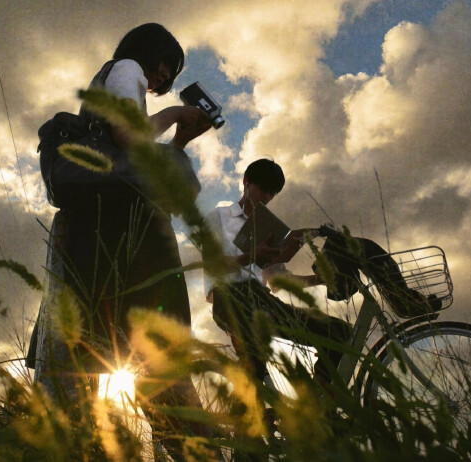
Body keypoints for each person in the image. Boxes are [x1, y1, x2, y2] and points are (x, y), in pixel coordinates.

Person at [27, 23, 215, 458]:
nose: (164, 79)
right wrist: (172, 118)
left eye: (169, 76)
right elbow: (126, 138)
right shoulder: (126, 66)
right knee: (157, 362)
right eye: (166, 65)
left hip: (96, 232)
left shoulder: (124, 81)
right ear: (149, 52)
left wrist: (180, 138)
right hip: (116, 231)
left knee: (74, 363)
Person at [204, 159, 352, 396]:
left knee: (341, 333)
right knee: (255, 368)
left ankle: (317, 404)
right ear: (246, 182)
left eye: (273, 193)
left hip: (263, 300)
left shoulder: (268, 228)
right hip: (231, 298)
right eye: (263, 189)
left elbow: (278, 279)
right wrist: (253, 255)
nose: (267, 197)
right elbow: (213, 266)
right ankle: (253, 418)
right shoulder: (219, 217)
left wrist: (322, 280)